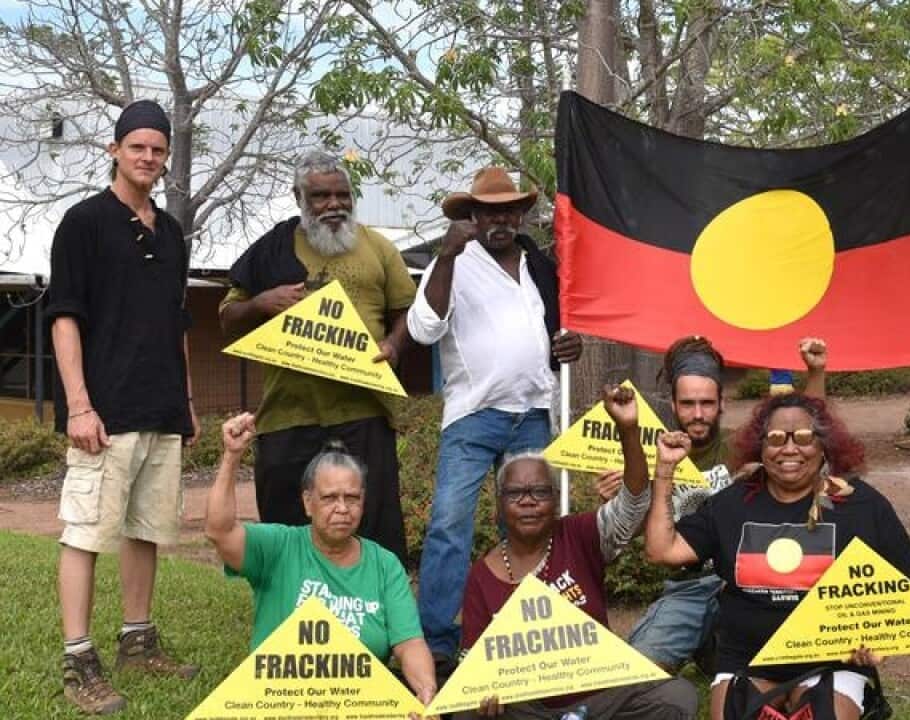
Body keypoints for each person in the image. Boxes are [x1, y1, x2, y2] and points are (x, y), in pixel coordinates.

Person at [48, 99, 200, 715]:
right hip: (103, 417)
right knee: (85, 534)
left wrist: (186, 403)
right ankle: (78, 662)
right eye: (137, 146)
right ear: (114, 150)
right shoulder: (83, 223)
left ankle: (138, 643)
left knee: (146, 532)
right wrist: (79, 406)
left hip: (161, 410)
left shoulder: (171, 234)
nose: (148, 158)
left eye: (158, 150)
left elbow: (179, 324)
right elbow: (64, 318)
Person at [644, 392, 910, 719]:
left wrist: (877, 640)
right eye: (776, 438)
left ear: (823, 445)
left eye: (804, 438)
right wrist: (665, 470)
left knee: (821, 713)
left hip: (832, 662)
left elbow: (905, 591)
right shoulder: (733, 503)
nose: (790, 449)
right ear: (760, 447)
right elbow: (661, 550)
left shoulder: (862, 504)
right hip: (749, 659)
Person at [406, 166, 583, 666]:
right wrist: (444, 255)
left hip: (532, 413)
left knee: (528, 527)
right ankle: (439, 647)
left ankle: (522, 634)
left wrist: (568, 345)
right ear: (472, 216)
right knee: (448, 527)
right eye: (489, 211)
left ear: (521, 213)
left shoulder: (540, 266)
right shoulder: (456, 262)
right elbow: (422, 330)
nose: (500, 218)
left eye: (509, 209)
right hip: (472, 416)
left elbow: (550, 339)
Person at [219, 150, 416, 565]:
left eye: (342, 195)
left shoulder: (378, 248)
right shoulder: (271, 250)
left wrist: (395, 345)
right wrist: (261, 304)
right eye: (320, 196)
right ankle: (291, 610)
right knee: (288, 526)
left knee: (375, 525)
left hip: (365, 410)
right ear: (299, 198)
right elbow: (227, 319)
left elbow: (408, 314)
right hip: (288, 414)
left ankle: (376, 618)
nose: (333, 205)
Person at [458, 386, 698, 719]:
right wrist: (484, 692)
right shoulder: (481, 577)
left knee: (676, 695)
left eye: (539, 492)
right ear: (498, 509)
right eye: (515, 494)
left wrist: (628, 429)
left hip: (602, 698)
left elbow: (633, 504)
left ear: (556, 503)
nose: (528, 500)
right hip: (531, 709)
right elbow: (470, 663)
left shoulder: (580, 534)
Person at [606, 335, 827, 673]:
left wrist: (815, 375)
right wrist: (623, 499)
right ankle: (693, 642)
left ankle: (714, 650)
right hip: (687, 589)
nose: (698, 414)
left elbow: (806, 436)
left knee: (778, 668)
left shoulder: (747, 446)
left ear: (722, 402)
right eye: (688, 404)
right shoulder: (652, 456)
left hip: (748, 586)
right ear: (673, 403)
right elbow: (637, 538)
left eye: (707, 403)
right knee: (635, 672)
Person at [206, 413, 438, 713]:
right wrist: (231, 457)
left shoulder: (385, 565)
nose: (342, 508)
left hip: (358, 704)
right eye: (329, 498)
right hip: (281, 705)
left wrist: (425, 690)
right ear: (307, 503)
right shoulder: (279, 547)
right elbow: (219, 530)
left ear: (363, 502)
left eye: (352, 498)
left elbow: (409, 644)